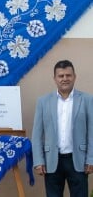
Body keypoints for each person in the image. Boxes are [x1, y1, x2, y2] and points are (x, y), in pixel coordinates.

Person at [31, 59, 93, 197]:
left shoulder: (87, 100)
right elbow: (36, 134)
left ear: (74, 77)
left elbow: (92, 132)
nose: (65, 79)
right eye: (61, 76)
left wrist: (91, 159)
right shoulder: (43, 101)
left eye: (68, 75)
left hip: (78, 160)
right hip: (52, 161)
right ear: (55, 78)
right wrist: (39, 161)